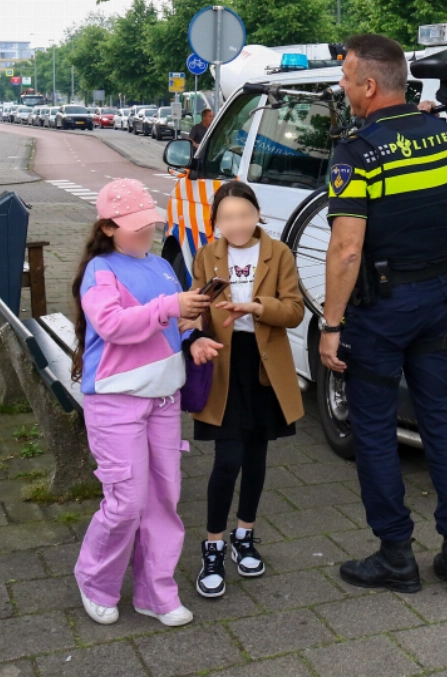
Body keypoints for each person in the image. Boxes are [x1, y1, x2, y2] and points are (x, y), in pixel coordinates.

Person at [319, 33, 447, 594]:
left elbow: (346, 250)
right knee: (440, 420)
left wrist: (331, 325)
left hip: (382, 307)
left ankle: (395, 555)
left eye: (345, 80)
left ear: (368, 84)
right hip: (439, 297)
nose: (342, 89)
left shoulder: (357, 152)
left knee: (376, 432)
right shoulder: (443, 136)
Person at [70, 178, 211, 628]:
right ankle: (95, 580)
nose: (145, 233)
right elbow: (112, 325)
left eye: (148, 224)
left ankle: (156, 591)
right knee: (127, 501)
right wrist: (172, 307)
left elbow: (169, 325)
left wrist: (193, 333)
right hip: (115, 401)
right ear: (108, 227)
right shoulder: (101, 270)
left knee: (164, 498)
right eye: (135, 226)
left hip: (162, 397)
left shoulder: (161, 268)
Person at [187, 181, 304, 599]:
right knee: (227, 457)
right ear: (215, 223)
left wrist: (257, 308)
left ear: (257, 214)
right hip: (223, 363)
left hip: (263, 364)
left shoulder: (279, 253)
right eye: (226, 218)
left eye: (243, 215)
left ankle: (245, 536)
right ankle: (213, 544)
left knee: (257, 454)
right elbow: (196, 310)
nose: (236, 225)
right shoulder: (207, 255)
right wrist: (192, 332)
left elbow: (293, 311)